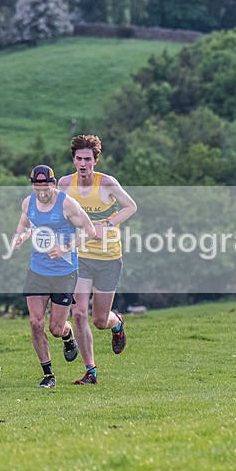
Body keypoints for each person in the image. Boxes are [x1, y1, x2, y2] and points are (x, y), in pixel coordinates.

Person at [58, 135, 137, 386]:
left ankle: (117, 323)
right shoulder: (64, 184)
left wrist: (108, 224)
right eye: (79, 159)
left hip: (108, 257)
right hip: (80, 256)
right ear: (73, 160)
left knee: (99, 320)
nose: (83, 164)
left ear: (95, 160)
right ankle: (90, 371)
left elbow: (131, 206)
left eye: (88, 160)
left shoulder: (107, 184)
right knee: (79, 312)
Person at [12, 165, 97, 388]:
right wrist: (20, 236)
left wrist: (65, 247)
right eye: (37, 186)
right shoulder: (28, 202)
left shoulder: (67, 204)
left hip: (64, 273)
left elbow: (90, 231)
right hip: (37, 271)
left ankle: (68, 336)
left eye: (45, 186)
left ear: (54, 183)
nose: (41, 191)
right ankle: (49, 375)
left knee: (55, 329)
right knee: (35, 322)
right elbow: (25, 223)